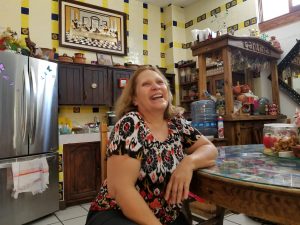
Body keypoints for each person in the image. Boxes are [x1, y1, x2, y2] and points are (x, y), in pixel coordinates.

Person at [85, 66, 218, 225]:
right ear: (134, 98)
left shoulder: (176, 124)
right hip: (118, 213)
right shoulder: (131, 124)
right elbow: (121, 191)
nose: (156, 86)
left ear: (167, 92)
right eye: (146, 84)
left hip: (167, 215)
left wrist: (189, 163)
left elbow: (210, 149)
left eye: (160, 82)